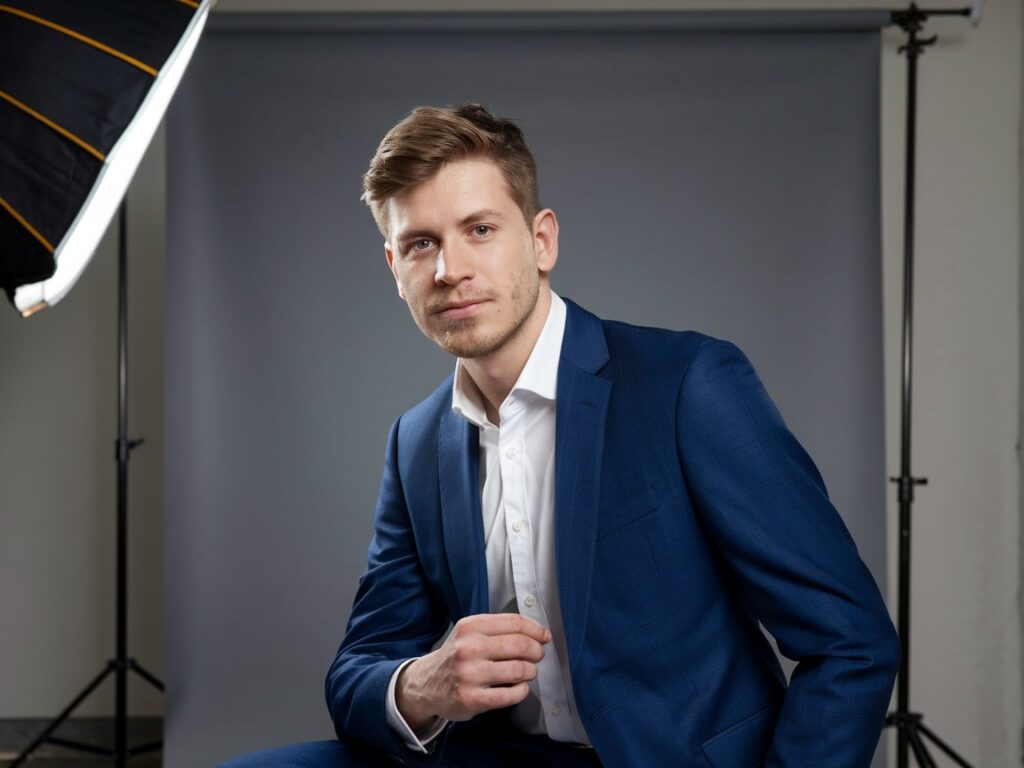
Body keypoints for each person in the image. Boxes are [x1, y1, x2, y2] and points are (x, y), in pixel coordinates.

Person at [222, 103, 900, 768]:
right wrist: (420, 685)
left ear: (541, 240)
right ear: (394, 268)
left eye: (479, 230)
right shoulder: (417, 442)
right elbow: (355, 674)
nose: (448, 269)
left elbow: (852, 643)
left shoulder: (686, 385)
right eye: (420, 243)